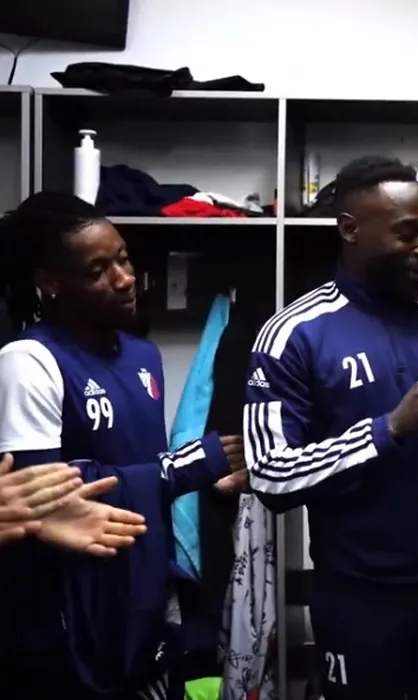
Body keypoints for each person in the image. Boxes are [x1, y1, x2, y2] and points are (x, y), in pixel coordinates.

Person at [244, 155, 418, 700]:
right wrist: (387, 429)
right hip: (359, 595)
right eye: (407, 233)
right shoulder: (294, 334)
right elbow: (270, 475)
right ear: (350, 229)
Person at [0, 191, 244, 700]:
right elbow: (43, 500)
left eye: (124, 259)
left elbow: (138, 468)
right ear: (50, 282)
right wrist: (185, 468)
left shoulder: (142, 355)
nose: (125, 278)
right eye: (98, 270)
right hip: (69, 620)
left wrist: (202, 470)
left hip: (141, 597)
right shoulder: (28, 361)